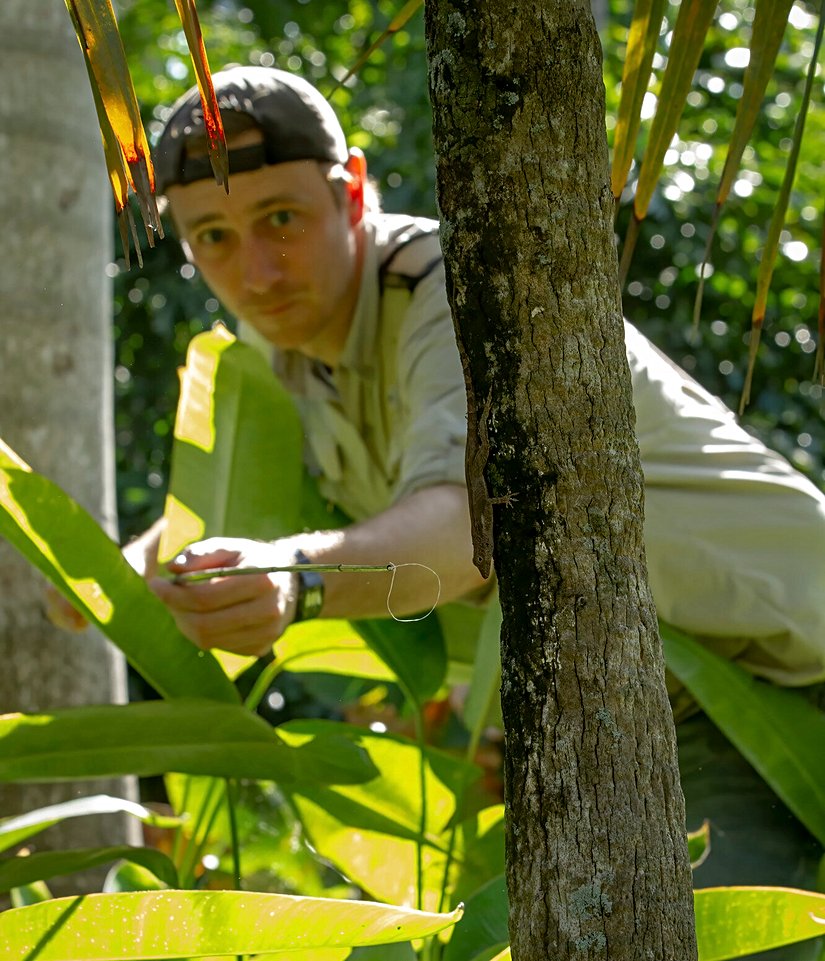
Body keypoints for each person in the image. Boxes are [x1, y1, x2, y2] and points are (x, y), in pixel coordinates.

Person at [51, 65, 825, 950]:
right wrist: (108, 575)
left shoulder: (455, 291)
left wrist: (294, 584)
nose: (256, 270)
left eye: (280, 219)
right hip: (651, 706)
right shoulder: (286, 362)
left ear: (353, 193)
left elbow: (473, 530)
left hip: (784, 673)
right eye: (214, 238)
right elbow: (241, 515)